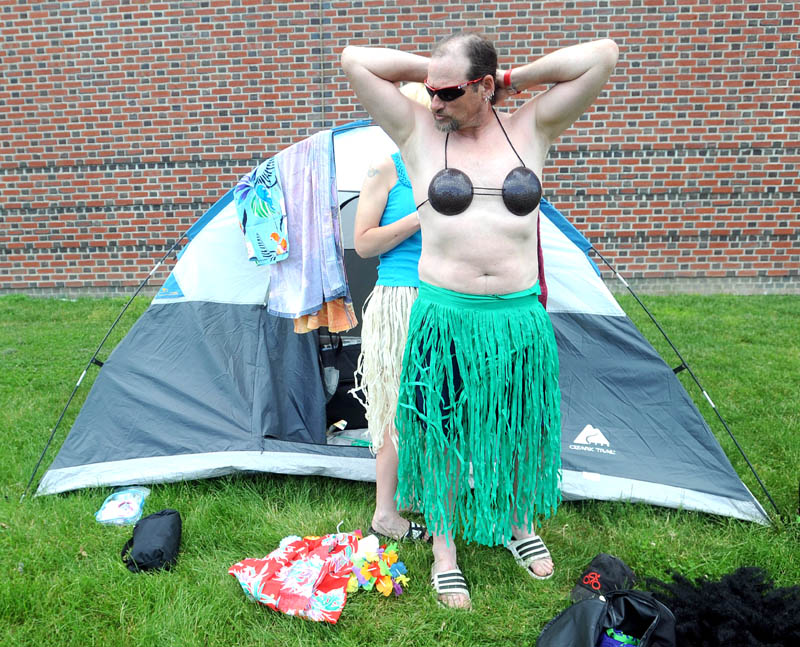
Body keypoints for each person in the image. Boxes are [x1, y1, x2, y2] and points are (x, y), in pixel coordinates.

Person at [342, 32, 618, 609]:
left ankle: (519, 525)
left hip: (519, 319)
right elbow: (356, 62)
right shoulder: (417, 134)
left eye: (447, 92)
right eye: (430, 92)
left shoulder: (531, 129)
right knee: (440, 433)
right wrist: (438, 69)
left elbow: (603, 55)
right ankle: (445, 549)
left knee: (516, 428)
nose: (434, 101)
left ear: (485, 86)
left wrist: (510, 79)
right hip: (445, 316)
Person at [351, 84, 432, 543]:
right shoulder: (387, 168)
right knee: (394, 405)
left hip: (447, 300)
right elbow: (363, 243)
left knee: (437, 404)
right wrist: (421, 216)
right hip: (400, 300)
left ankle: (424, 494)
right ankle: (385, 511)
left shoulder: (449, 169)